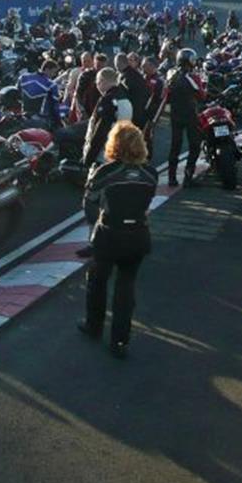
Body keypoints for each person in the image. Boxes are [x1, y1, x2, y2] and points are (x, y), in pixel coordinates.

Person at [77, 121, 158, 359]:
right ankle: (120, 340)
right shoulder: (150, 174)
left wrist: (98, 222)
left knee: (97, 280)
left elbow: (89, 202)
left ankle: (94, 326)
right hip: (138, 235)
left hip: (109, 234)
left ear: (114, 144)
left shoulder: (106, 172)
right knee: (126, 287)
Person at [150, 48, 205, 188]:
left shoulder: (171, 76)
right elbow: (201, 95)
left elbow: (165, 97)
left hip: (175, 115)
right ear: (190, 61)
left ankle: (172, 178)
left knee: (175, 147)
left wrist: (155, 120)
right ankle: (188, 177)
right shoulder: (193, 77)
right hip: (190, 114)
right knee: (194, 146)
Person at [82, 67, 134, 166]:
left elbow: (100, 131)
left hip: (103, 155)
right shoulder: (126, 99)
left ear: (102, 81)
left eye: (97, 82)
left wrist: (89, 157)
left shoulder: (108, 100)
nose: (97, 85)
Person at [18, 59, 62, 128]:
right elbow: (55, 107)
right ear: (47, 69)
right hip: (41, 121)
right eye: (53, 72)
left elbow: (16, 95)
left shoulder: (23, 78)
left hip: (22, 117)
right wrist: (59, 122)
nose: (54, 75)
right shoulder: (51, 84)